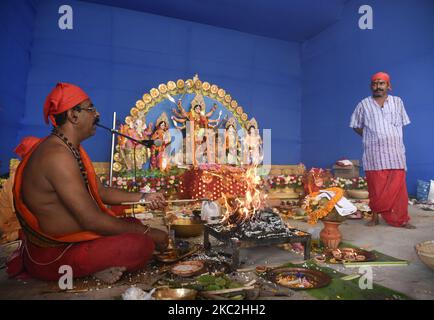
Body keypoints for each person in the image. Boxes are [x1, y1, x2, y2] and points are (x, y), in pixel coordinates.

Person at [7, 82, 169, 284]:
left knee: (133, 224)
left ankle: (98, 262)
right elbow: (91, 220)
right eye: (90, 109)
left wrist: (145, 197)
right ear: (73, 116)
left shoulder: (69, 148)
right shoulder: (57, 156)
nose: (97, 114)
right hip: (55, 253)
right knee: (140, 244)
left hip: (76, 239)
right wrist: (150, 233)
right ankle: (92, 268)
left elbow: (99, 191)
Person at [350, 72, 415, 228]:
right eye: (374, 83)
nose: (377, 86)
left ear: (388, 85)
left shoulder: (398, 102)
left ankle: (401, 219)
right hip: (374, 155)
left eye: (381, 83)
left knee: (399, 190)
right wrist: (369, 135)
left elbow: (403, 122)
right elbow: (355, 125)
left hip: (395, 153)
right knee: (376, 188)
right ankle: (375, 217)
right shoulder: (363, 104)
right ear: (371, 86)